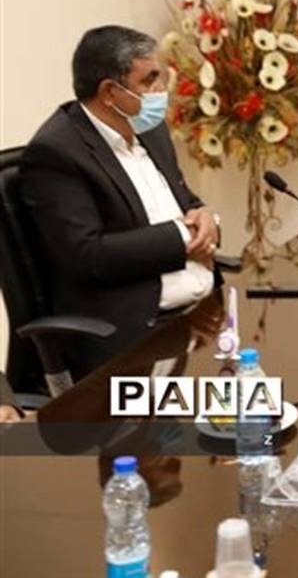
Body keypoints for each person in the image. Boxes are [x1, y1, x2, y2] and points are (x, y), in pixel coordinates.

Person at [20, 26, 220, 377]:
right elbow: (87, 255)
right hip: (134, 336)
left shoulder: (149, 130)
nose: (162, 91)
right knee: (239, 404)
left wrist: (203, 215)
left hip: (199, 319)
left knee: (264, 394)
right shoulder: (57, 153)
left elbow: (184, 200)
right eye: (149, 80)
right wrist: (182, 238)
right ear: (110, 92)